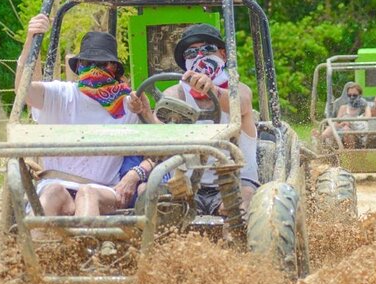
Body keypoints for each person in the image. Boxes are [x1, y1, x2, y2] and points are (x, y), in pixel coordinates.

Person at [16, 13, 147, 217]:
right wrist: (30, 41)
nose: (95, 70)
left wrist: (134, 175)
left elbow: (156, 150)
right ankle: (38, 247)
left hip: (104, 190)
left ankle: (84, 246)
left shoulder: (128, 105)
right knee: (53, 192)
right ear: (78, 67)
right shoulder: (60, 95)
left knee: (87, 194)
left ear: (114, 70)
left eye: (102, 65)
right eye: (88, 63)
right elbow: (24, 91)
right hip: (57, 183)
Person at [128, 23, 259, 216]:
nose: (199, 56)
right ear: (184, 63)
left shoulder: (238, 90)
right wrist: (146, 114)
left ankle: (236, 240)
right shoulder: (175, 95)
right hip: (185, 185)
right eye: (191, 53)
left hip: (237, 181)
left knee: (239, 206)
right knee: (151, 201)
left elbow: (242, 104)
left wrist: (212, 89)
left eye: (207, 49)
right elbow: (160, 146)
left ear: (222, 54)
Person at [321, 82, 371, 148]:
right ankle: (321, 139)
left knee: (346, 129)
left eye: (354, 95)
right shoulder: (343, 108)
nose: (352, 97)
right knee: (335, 128)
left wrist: (350, 123)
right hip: (342, 133)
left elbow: (368, 119)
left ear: (360, 95)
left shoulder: (364, 107)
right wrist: (341, 124)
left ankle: (349, 154)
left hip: (358, 134)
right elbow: (336, 123)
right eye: (349, 95)